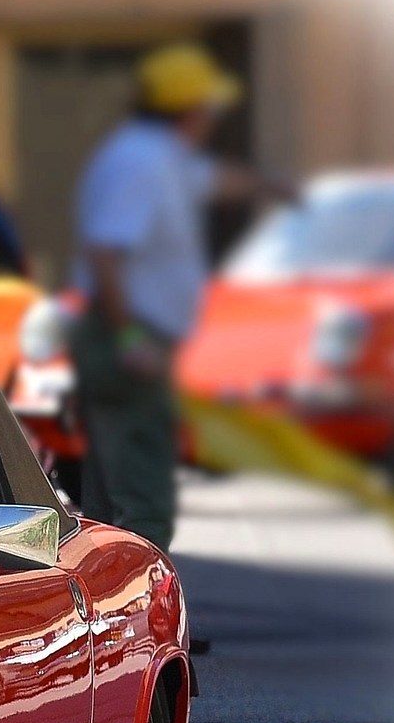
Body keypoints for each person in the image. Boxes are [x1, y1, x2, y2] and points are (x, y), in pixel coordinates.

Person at [69, 41, 278, 548]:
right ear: (191, 110)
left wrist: (273, 186)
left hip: (122, 338)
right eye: (210, 107)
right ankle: (142, 615)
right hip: (124, 340)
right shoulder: (139, 163)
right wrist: (131, 338)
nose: (213, 118)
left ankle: (106, 612)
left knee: (109, 500)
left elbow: (216, 182)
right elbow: (105, 253)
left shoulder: (162, 157)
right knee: (143, 504)